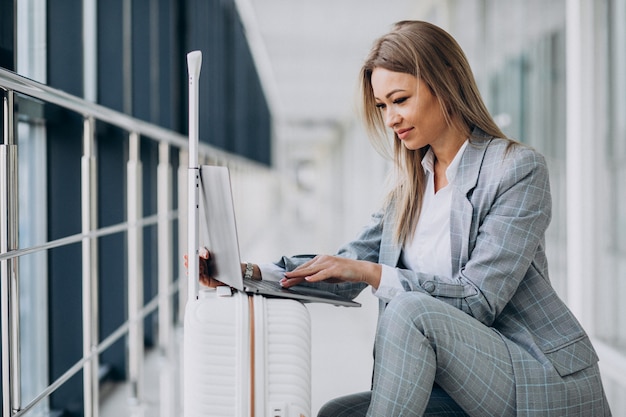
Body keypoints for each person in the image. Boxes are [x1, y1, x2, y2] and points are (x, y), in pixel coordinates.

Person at [190, 20, 611, 417]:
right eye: (381, 105)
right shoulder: (409, 187)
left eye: (400, 100)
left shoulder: (516, 169)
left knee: (411, 309)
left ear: (444, 80)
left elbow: (478, 300)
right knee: (337, 413)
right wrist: (244, 272)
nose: (390, 119)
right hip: (454, 381)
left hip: (534, 376)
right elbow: (344, 267)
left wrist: (376, 274)